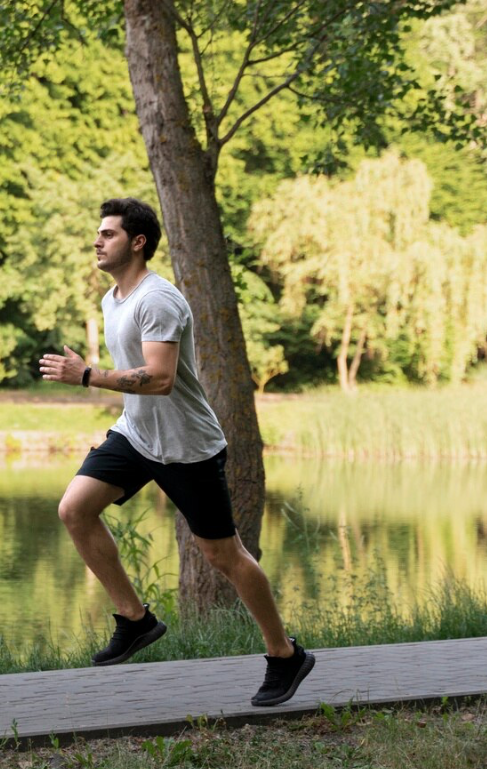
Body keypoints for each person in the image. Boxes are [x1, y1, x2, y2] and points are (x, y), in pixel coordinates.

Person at [40, 198, 314, 707]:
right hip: (136, 436)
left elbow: (161, 379)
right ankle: (136, 620)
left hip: (187, 448)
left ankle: (284, 654)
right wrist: (117, 423)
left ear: (137, 241)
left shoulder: (158, 299)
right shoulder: (112, 299)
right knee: (74, 509)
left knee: (222, 554)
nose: (97, 241)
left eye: (108, 234)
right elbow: (134, 378)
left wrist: (87, 375)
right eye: (97, 234)